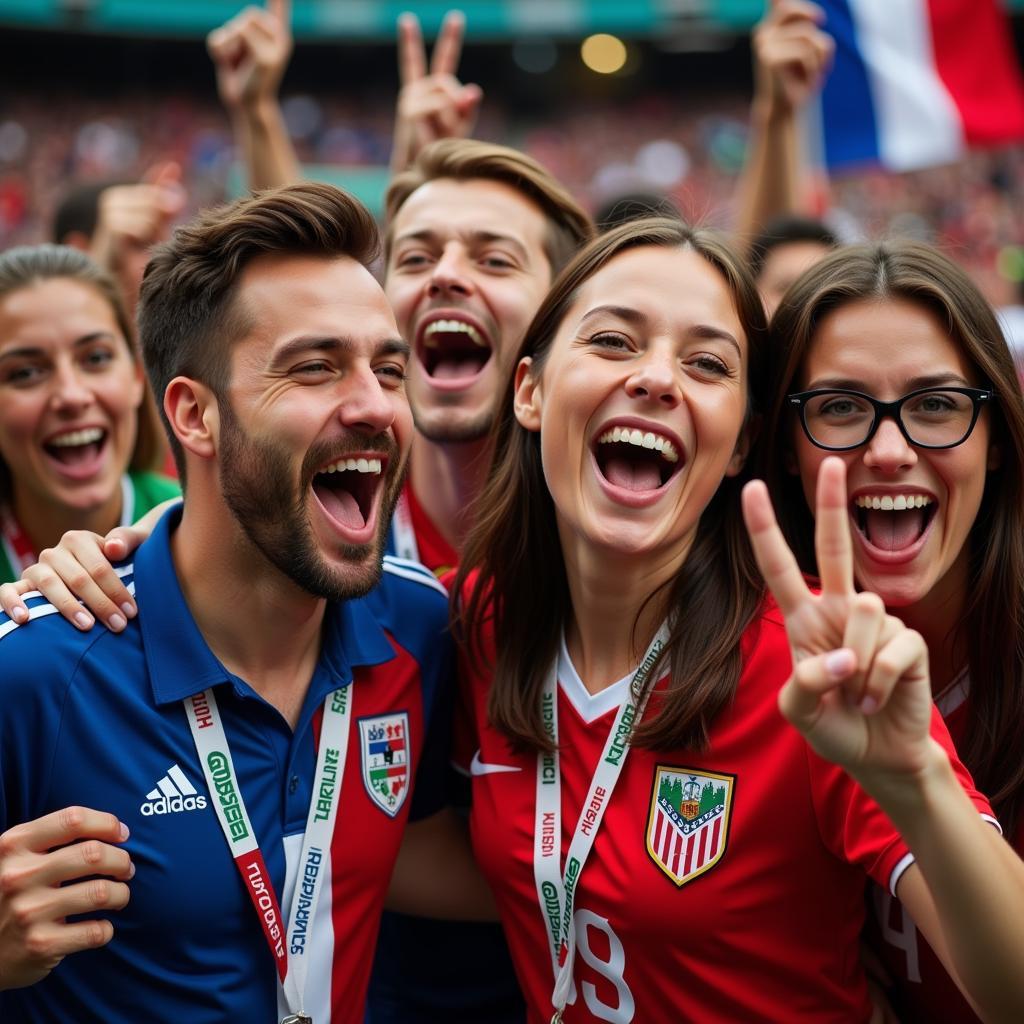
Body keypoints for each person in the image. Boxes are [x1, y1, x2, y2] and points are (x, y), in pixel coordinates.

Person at [449, 216, 1024, 1022]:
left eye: (707, 362)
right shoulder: (477, 619)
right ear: (530, 389)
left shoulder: (820, 670)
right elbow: (479, 857)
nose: (655, 379)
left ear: (746, 441)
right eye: (614, 341)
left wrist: (916, 781)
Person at [0, 182, 473, 1023]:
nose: (373, 406)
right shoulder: (34, 672)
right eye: (316, 367)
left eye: (388, 369)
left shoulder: (421, 627)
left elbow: (459, 860)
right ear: (194, 414)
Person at [759, 239, 1024, 1022]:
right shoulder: (734, 664)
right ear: (783, 443)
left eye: (936, 405)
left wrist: (915, 780)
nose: (888, 450)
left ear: (998, 437)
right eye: (839, 407)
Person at [0, 244, 175, 587]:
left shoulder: (208, 532)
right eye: (25, 373)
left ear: (138, 376)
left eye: (95, 358)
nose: (72, 395)